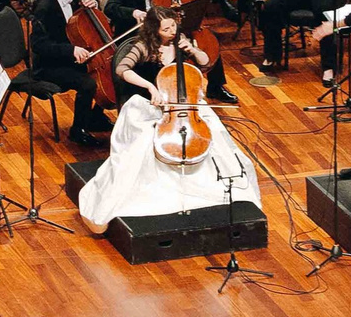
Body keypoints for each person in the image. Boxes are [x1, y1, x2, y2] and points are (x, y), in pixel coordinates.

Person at [79, 12, 265, 232]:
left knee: (213, 129)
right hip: (149, 105)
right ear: (153, 29)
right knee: (145, 142)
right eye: (166, 29)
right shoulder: (143, 46)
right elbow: (122, 70)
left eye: (173, 27)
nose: (172, 32)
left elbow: (207, 62)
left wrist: (192, 49)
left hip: (182, 104)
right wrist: (149, 87)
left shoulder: (181, 41)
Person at [28, 0, 113, 143]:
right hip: (50, 66)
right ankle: (78, 129)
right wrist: (71, 50)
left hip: (74, 59)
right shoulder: (44, 8)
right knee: (88, 84)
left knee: (112, 71)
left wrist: (94, 6)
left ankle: (94, 117)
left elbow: (85, 28)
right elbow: (39, 45)